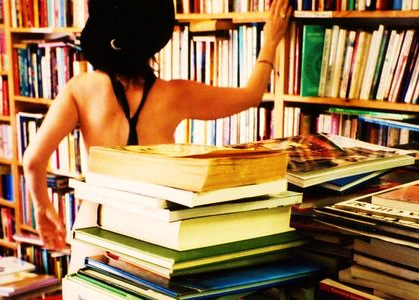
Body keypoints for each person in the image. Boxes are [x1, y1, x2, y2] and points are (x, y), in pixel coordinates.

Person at [22, 0, 293, 251]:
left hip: (97, 220)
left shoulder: (80, 90)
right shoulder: (175, 95)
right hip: (154, 224)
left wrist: (43, 206)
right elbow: (250, 96)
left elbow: (33, 160)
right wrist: (270, 42)